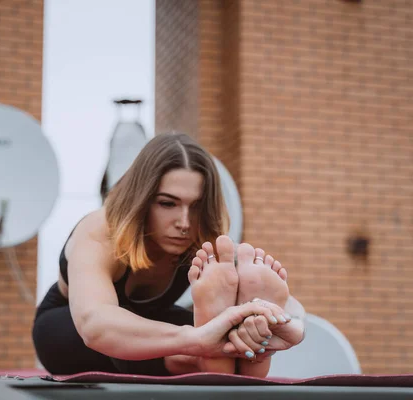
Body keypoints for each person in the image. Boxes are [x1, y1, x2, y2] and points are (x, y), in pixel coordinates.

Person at [32, 133, 305, 377]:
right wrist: (195, 339)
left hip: (157, 324)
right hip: (72, 328)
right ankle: (202, 358)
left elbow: (288, 305)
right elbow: (95, 325)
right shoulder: (101, 229)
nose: (184, 222)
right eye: (167, 203)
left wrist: (290, 326)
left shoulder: (203, 237)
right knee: (142, 335)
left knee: (218, 330)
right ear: (141, 199)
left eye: (196, 206)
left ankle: (235, 355)